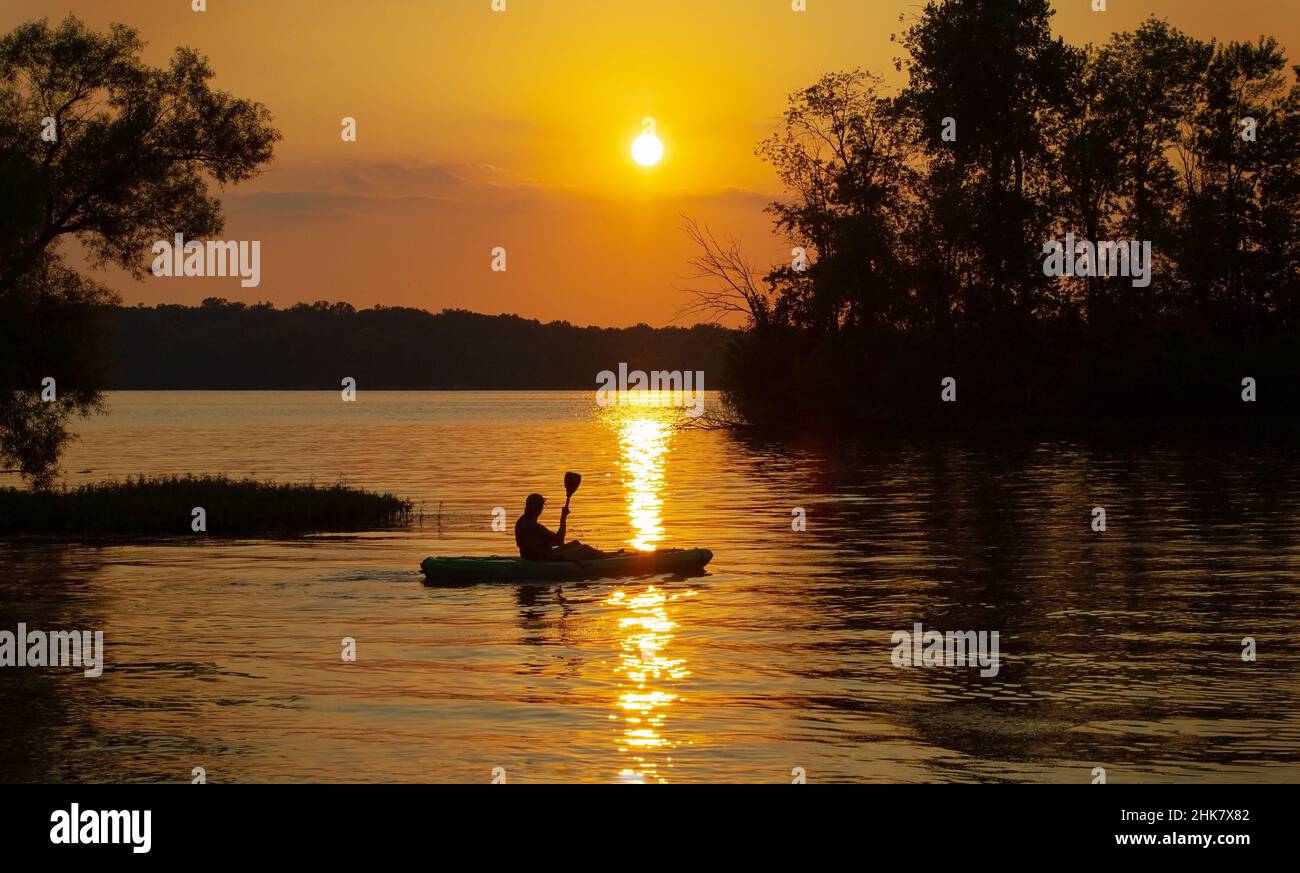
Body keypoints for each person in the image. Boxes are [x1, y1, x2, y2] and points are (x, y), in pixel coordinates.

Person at [514, 492, 609, 562]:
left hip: (532, 557)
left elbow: (542, 542)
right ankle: (609, 559)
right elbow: (559, 539)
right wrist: (563, 517)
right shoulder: (535, 527)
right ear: (539, 509)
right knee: (585, 548)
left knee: (575, 543)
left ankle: (601, 556)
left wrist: (554, 543)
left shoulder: (521, 522)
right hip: (547, 560)